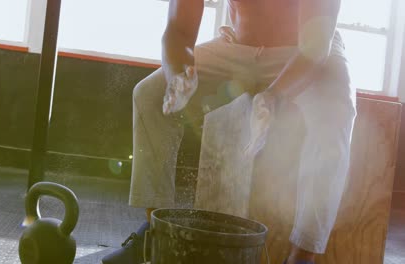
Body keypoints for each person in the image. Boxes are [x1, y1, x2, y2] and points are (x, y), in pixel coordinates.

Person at [103, 0, 356, 263]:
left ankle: (302, 254)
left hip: (306, 53)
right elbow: (178, 30)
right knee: (149, 95)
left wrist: (274, 96)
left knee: (336, 115)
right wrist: (178, 74)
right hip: (237, 48)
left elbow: (316, 45)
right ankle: (157, 232)